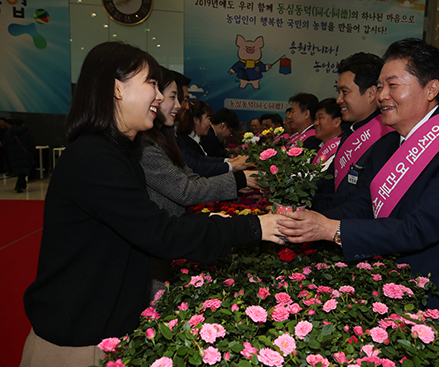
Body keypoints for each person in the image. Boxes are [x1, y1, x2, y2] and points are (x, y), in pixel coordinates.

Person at [20, 41, 283, 367]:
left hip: (104, 326)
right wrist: (253, 227)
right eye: (152, 84)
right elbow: (160, 232)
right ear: (117, 89)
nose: (159, 97)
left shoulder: (119, 152)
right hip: (78, 339)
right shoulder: (94, 158)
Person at [278, 38, 439, 366]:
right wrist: (305, 219)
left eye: (393, 85)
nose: (382, 96)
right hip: (399, 298)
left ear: (431, 88)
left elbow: (420, 227)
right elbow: (364, 206)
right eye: (379, 86)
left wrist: (330, 229)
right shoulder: (387, 146)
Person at [140, 67, 259, 300]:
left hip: (171, 239)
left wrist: (236, 184)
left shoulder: (163, 137)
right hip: (160, 244)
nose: (182, 106)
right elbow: (184, 189)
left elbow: (189, 177)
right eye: (176, 98)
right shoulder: (146, 145)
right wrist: (238, 178)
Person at [312, 52, 391, 212]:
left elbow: (361, 203)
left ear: (371, 94)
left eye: (345, 92)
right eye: (338, 92)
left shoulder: (388, 139)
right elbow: (328, 182)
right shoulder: (349, 132)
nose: (338, 99)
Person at [175, 101, 250, 177]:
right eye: (208, 118)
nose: (210, 123)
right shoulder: (185, 141)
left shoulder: (192, 139)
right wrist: (232, 164)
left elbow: (202, 159)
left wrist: (232, 161)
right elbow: (198, 166)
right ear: (196, 120)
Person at [2, 118, 35, 192]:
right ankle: (19, 186)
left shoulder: (9, 132)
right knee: (24, 169)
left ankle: (22, 184)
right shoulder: (26, 132)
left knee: (18, 169)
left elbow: (5, 143)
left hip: (13, 154)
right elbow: (32, 143)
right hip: (24, 153)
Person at [312, 98, 343, 171]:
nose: (315, 123)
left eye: (320, 118)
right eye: (315, 119)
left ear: (337, 122)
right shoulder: (317, 147)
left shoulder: (342, 149)